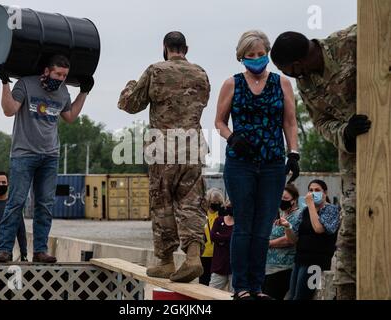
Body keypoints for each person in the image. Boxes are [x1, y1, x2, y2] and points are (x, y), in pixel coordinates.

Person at [271, 25, 371, 299]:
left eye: (286, 69)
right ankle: (345, 294)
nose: (289, 76)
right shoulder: (305, 82)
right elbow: (322, 122)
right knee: (350, 232)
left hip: (383, 142)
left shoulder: (351, 41)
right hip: (355, 159)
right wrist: (345, 133)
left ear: (296, 63)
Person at [118, 31, 211, 283]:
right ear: (186, 48)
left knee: (163, 202)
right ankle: (193, 257)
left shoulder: (156, 71)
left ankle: (166, 261)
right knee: (191, 201)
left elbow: (130, 104)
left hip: (164, 147)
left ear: (165, 47)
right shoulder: (201, 73)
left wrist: (128, 86)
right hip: (192, 147)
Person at [215, 30, 299, 300]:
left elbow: (290, 122)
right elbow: (219, 122)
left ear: (268, 54)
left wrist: (293, 153)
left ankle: (256, 287)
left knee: (263, 227)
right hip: (241, 163)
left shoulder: (282, 83)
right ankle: (240, 287)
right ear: (241, 57)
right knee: (244, 226)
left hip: (273, 163)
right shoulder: (232, 83)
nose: (256, 59)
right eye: (250, 55)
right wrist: (233, 137)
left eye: (261, 54)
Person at [0, 55, 94, 263]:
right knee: (16, 202)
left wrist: (84, 92)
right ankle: (4, 250)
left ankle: (40, 250)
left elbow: (70, 116)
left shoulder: (63, 91)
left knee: (45, 205)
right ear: (47, 71)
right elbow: (9, 110)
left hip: (50, 155)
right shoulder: (26, 84)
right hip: (24, 154)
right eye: (57, 74)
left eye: (64, 76)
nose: (60, 78)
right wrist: (4, 82)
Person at [280, 180, 340, 300]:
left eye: (317, 190)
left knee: (302, 297)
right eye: (311, 190)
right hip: (300, 260)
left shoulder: (331, 210)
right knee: (290, 296)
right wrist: (287, 226)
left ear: (325, 193)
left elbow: (318, 229)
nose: (313, 193)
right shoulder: (305, 211)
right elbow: (293, 239)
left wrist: (311, 205)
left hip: (316, 263)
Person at [263, 184, 301, 300]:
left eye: (285, 198)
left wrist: (269, 243)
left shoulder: (298, 215)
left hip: (283, 268)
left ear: (293, 200)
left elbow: (289, 240)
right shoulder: (281, 214)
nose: (281, 201)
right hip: (268, 267)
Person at [200, 188, 225, 285]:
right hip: (204, 253)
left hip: (217, 253)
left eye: (219, 202)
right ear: (209, 202)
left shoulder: (222, 213)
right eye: (214, 202)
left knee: (215, 282)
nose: (216, 204)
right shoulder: (202, 213)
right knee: (203, 281)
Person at [209, 200, 234, 292]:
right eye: (229, 205)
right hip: (219, 265)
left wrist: (221, 238)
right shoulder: (219, 220)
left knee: (233, 295)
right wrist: (228, 238)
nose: (230, 208)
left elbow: (234, 238)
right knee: (210, 293)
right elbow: (212, 236)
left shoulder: (241, 223)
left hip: (234, 268)